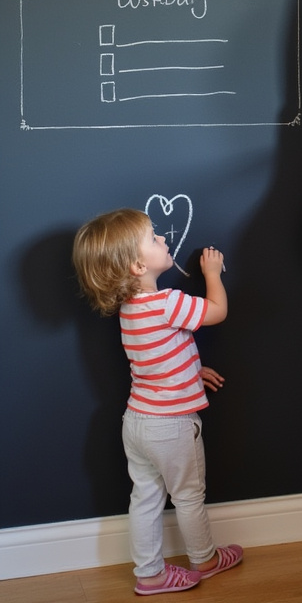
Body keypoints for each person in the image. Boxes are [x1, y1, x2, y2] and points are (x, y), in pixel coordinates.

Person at [72, 208, 243, 596]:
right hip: (172, 425)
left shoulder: (130, 309)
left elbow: (156, 358)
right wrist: (212, 274)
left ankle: (149, 574)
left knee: (145, 499)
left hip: (138, 421)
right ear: (137, 266)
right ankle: (205, 559)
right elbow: (217, 312)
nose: (164, 239)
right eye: (153, 238)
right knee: (188, 495)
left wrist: (192, 371)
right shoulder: (167, 302)